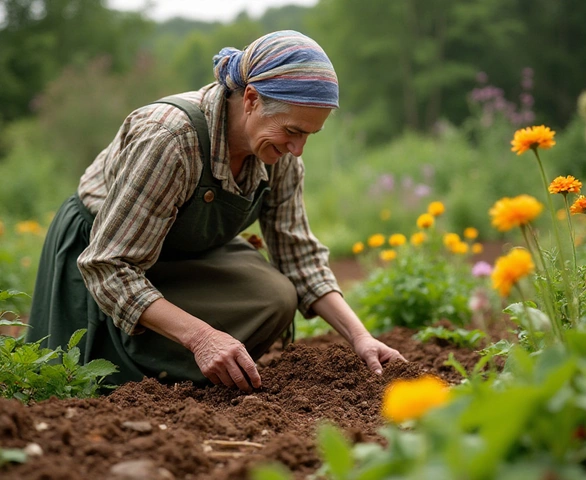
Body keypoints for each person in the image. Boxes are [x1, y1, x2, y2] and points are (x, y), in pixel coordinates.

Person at [28, 30, 405, 393]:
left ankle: (185, 372)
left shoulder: (278, 153)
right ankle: (139, 375)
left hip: (181, 252)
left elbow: (299, 255)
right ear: (252, 99)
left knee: (274, 296)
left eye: (308, 135)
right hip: (103, 250)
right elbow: (108, 264)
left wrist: (361, 338)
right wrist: (202, 337)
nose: (298, 149)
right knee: (87, 379)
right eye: (293, 131)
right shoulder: (171, 140)